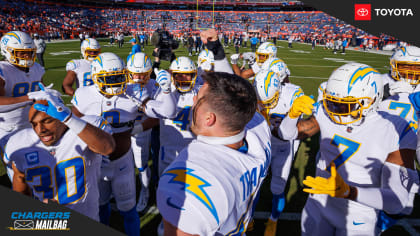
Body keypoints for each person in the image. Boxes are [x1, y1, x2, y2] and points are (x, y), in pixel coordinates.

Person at [277, 63, 417, 235]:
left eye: (343, 106)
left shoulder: (396, 129)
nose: (333, 111)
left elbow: (397, 201)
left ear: (369, 101)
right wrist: (292, 115)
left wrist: (349, 192)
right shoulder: (326, 112)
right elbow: (286, 134)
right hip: (318, 201)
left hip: (359, 212)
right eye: (330, 102)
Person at [157, 72, 271, 235]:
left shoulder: (185, 179)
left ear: (209, 119)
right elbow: (239, 96)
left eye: (199, 98)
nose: (194, 100)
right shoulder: (259, 129)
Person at [8, 85, 115, 221]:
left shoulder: (86, 129)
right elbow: (20, 185)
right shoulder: (20, 143)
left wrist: (69, 118)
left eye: (47, 121)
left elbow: (107, 148)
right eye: (34, 124)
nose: (40, 130)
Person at [71, 52, 140, 236]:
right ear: (96, 77)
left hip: (122, 162)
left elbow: (157, 114)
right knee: (100, 209)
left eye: (119, 77)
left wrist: (138, 128)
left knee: (129, 211)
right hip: (95, 163)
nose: (117, 82)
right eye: (110, 78)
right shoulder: (84, 94)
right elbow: (73, 124)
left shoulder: (133, 93)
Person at [252, 62, 302, 236]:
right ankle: (249, 216)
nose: (265, 106)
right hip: (261, 143)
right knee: (254, 183)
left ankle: (273, 219)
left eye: (270, 101)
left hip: (282, 146)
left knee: (278, 186)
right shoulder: (255, 90)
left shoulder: (292, 94)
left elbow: (292, 131)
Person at [376, 46, 420, 231]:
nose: (410, 73)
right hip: (382, 146)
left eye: (416, 69)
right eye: (405, 67)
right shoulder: (380, 82)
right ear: (393, 65)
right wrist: (382, 93)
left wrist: (412, 96)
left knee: (405, 206)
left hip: (413, 142)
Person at [0, 31, 45, 181]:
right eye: (21, 53)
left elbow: (42, 92)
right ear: (7, 51)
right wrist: (29, 97)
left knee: (41, 170)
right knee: (19, 173)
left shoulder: (37, 68)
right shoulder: (3, 70)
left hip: (33, 125)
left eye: (29, 53)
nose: (27, 57)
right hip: (8, 130)